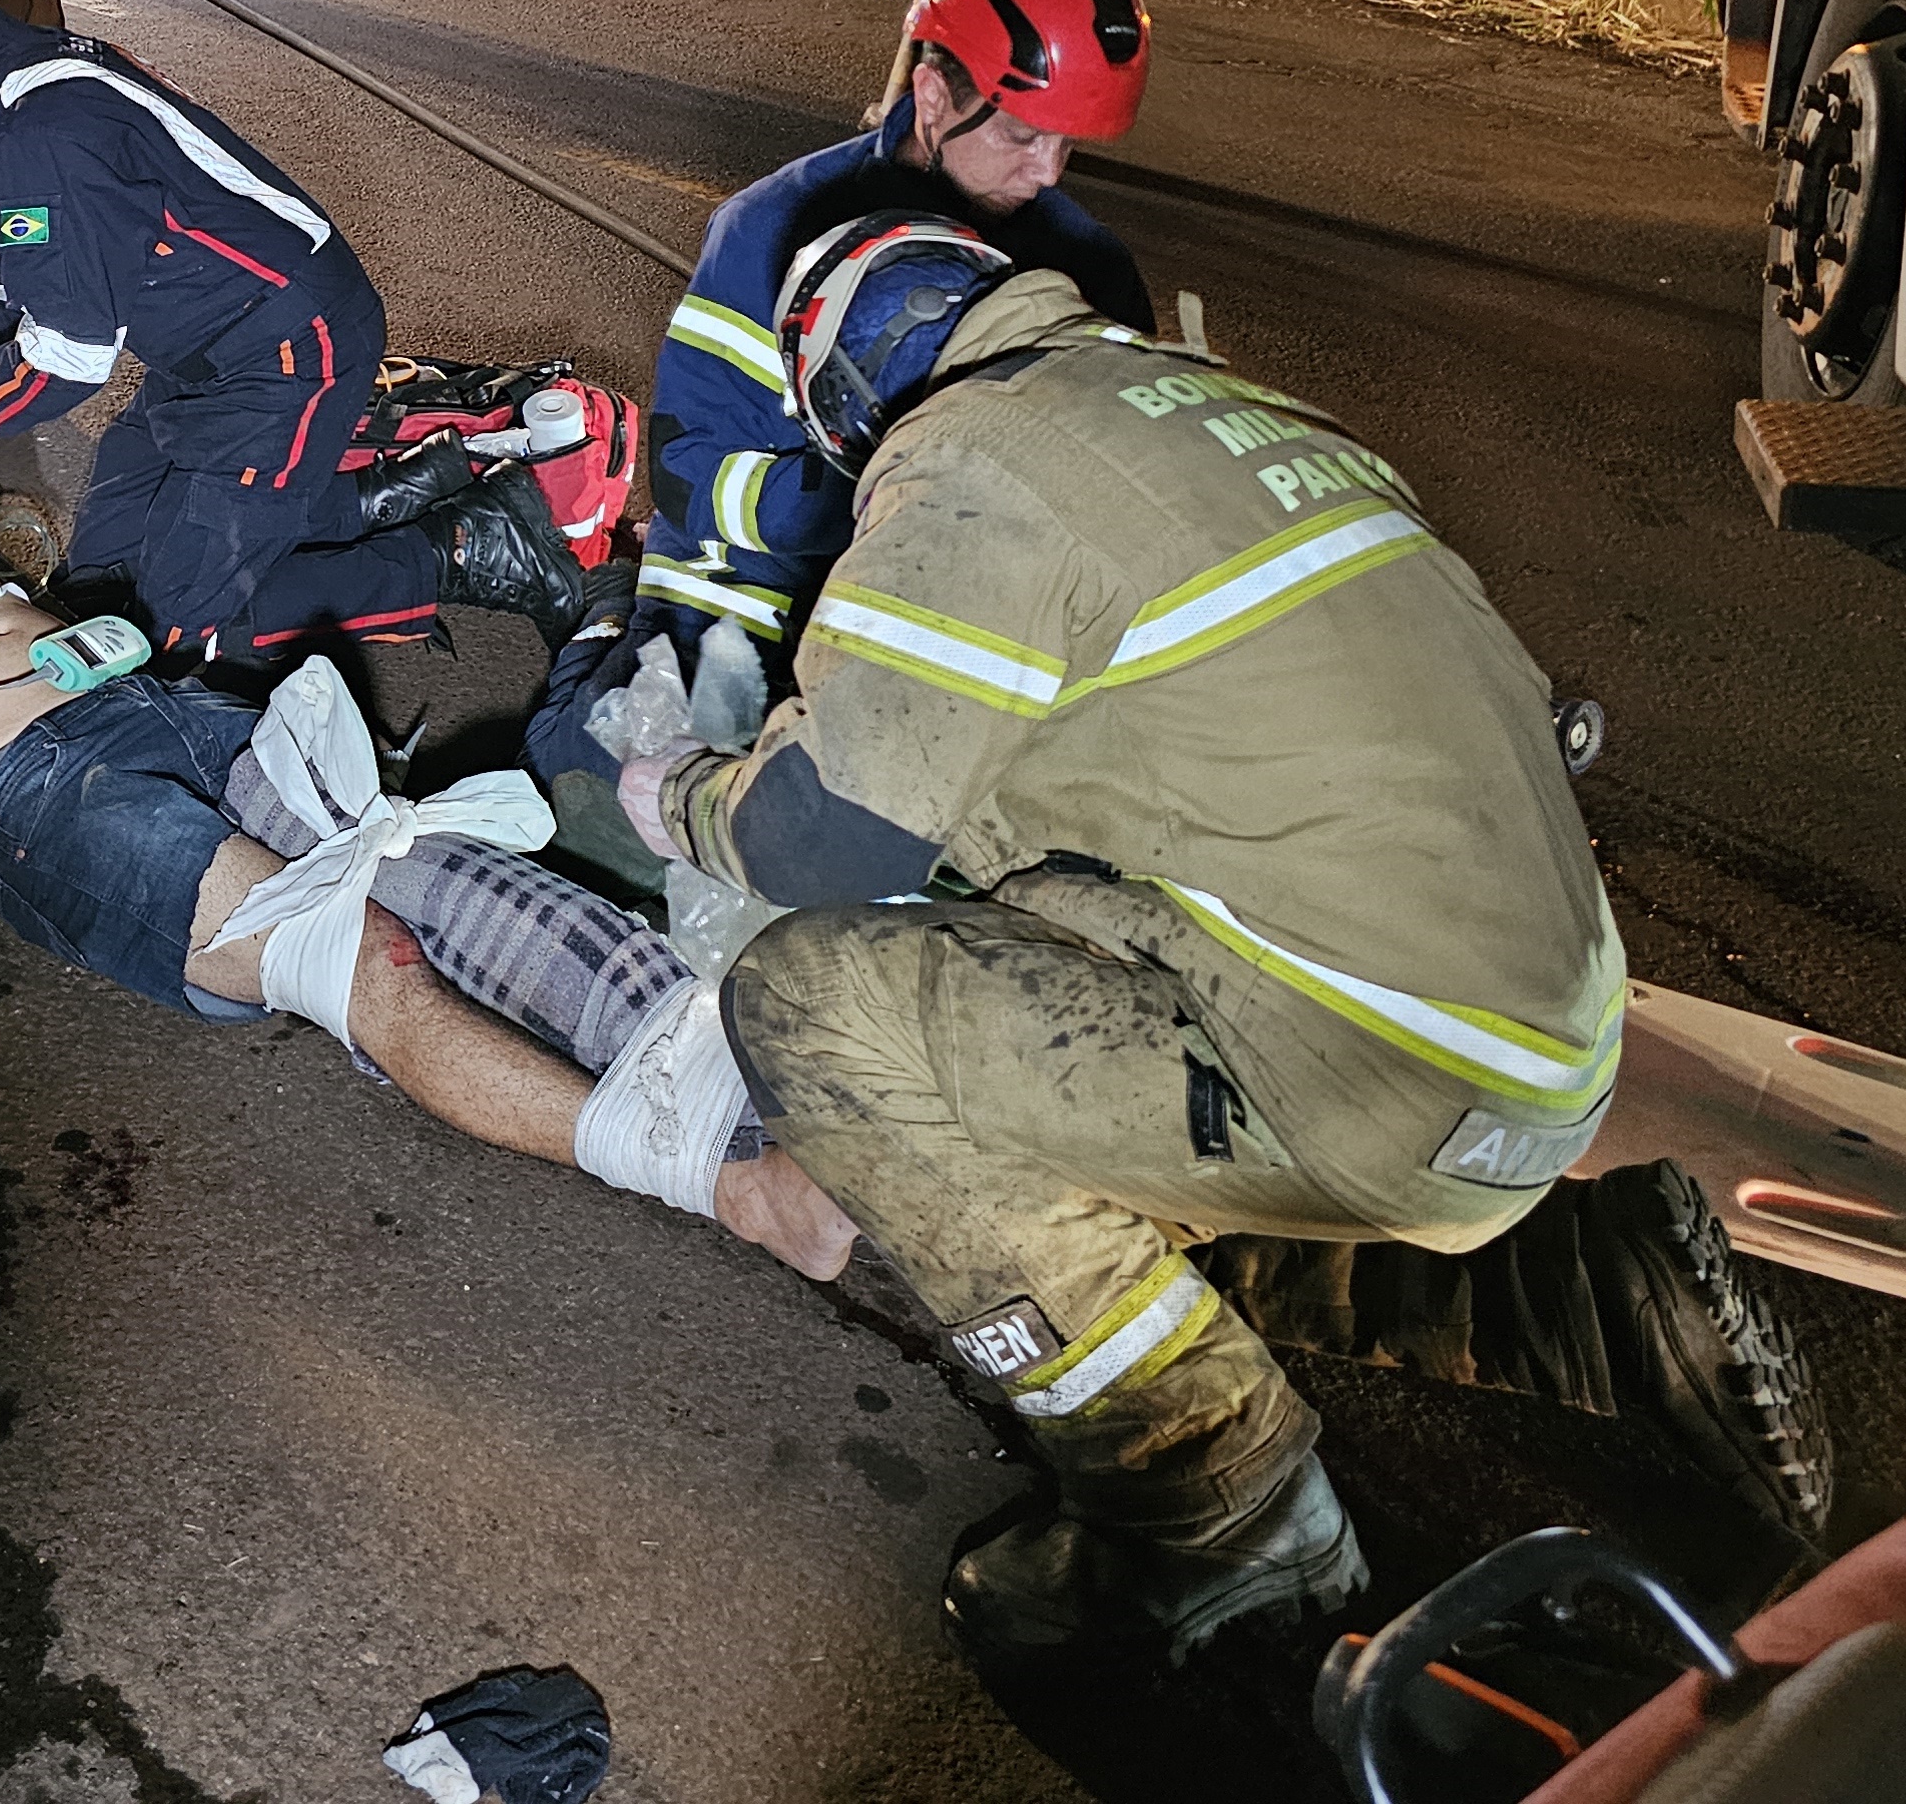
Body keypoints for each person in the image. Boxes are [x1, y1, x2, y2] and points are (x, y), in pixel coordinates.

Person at [600, 214, 1750, 1667]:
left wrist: (685, 796)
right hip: (1541, 1056)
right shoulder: (1243, 416)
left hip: (1380, 1077)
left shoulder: (969, 461)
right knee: (1034, 961)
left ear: (843, 399)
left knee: (823, 1003)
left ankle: (1221, 1508)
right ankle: (1570, 1295)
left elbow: (824, 840)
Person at [0, 542, 859, 1280]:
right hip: (23, 799)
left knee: (420, 858)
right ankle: (726, 1185)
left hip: (138, 700)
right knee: (358, 957)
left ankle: (763, 1096)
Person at [0, 0, 587, 664]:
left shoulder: (43, 146)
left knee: (163, 634)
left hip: (289, 349)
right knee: (99, 585)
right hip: (203, 346)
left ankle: (465, 549)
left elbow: (59, 367)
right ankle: (396, 490)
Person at [615, 0, 1156, 685]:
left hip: (966, 623)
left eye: (1069, 145)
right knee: (594, 775)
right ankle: (599, 619)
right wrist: (891, 507)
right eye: (1024, 135)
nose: (1046, 174)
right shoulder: (768, 229)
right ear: (933, 98)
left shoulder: (1090, 266)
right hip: (748, 605)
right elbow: (686, 473)